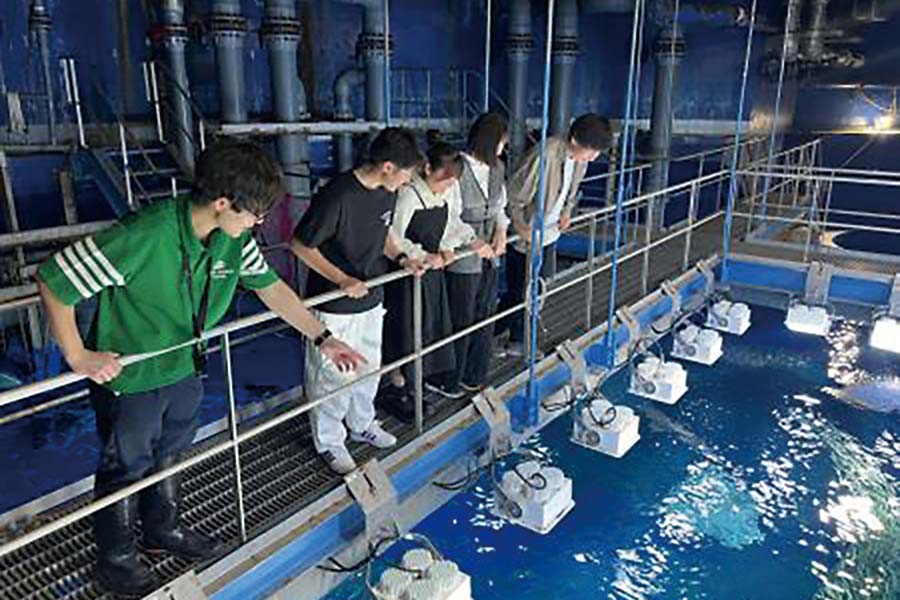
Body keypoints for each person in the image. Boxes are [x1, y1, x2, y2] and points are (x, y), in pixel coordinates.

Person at [36, 141, 365, 599]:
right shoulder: (144, 235)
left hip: (186, 365)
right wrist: (78, 355)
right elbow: (55, 280)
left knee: (171, 450)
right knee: (124, 466)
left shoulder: (233, 239)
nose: (259, 223)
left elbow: (271, 290)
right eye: (255, 214)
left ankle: (162, 528)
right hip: (131, 375)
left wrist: (323, 338)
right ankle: (115, 559)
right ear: (222, 203)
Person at [292, 127, 425, 475]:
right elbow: (300, 245)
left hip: (372, 295)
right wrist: (341, 279)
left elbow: (384, 236)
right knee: (331, 376)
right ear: (387, 166)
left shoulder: (387, 191)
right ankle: (330, 441)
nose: (408, 181)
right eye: (406, 174)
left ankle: (362, 423)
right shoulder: (337, 196)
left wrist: (402, 257)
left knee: (369, 367)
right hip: (333, 303)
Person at [380, 143, 490, 419]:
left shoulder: (446, 191)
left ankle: (417, 383)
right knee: (403, 330)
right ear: (428, 169)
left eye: (452, 182)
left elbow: (451, 221)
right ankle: (398, 386)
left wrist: (468, 240)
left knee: (428, 329)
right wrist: (422, 255)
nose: (447, 187)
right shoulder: (408, 195)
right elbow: (393, 237)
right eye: (444, 180)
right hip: (406, 272)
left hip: (432, 273)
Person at [502, 113, 613, 356]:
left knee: (535, 287)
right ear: (574, 139)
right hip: (527, 236)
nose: (592, 158)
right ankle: (516, 340)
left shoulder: (579, 159)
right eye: (591, 152)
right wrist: (520, 227)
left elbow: (571, 190)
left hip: (550, 233)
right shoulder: (546, 153)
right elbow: (513, 195)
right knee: (521, 290)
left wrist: (566, 212)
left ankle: (505, 330)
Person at [442, 113, 509, 395]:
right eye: (501, 142)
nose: (503, 148)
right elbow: (448, 215)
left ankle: (475, 374)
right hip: (462, 256)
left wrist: (501, 233)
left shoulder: (497, 169)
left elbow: (500, 207)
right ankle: (449, 379)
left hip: (489, 256)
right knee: (461, 317)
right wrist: (473, 242)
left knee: (485, 312)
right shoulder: (456, 168)